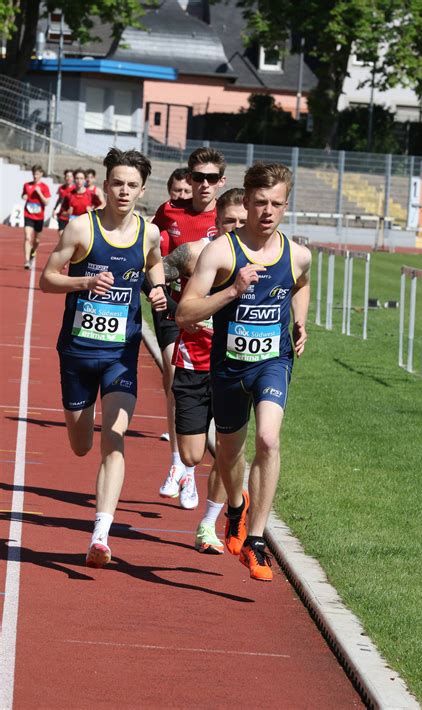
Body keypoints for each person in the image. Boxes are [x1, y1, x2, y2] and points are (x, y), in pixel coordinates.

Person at [176, 163, 311, 581]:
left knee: (269, 438)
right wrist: (233, 290)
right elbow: (185, 311)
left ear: (286, 205)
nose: (267, 212)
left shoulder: (298, 253)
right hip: (229, 367)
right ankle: (236, 508)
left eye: (276, 204)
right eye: (259, 203)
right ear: (246, 201)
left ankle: (255, 541)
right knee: (230, 452)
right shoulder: (221, 252)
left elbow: (301, 282)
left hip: (273, 361)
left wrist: (300, 323)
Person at [39, 148, 167, 569]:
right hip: (77, 353)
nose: (124, 191)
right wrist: (84, 281)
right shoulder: (81, 228)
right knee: (81, 445)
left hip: (120, 355)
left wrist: (158, 288)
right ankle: (81, 424)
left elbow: (154, 265)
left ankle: (100, 534)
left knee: (114, 438)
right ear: (105, 185)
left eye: (132, 185)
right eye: (117, 183)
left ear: (142, 189)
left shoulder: (148, 234)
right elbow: (48, 279)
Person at [163, 188, 247, 552]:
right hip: (193, 362)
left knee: (228, 449)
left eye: (243, 222)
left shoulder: (259, 260)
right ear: (217, 220)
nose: (237, 227)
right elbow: (154, 276)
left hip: (232, 366)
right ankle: (195, 477)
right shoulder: (194, 253)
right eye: (231, 221)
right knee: (193, 455)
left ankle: (210, 524)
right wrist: (174, 308)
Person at [150, 148, 226, 508]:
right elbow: (153, 255)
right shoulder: (169, 212)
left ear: (221, 182)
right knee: (172, 373)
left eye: (212, 178)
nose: (205, 184)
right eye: (199, 178)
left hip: (213, 317)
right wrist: (155, 288)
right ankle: (177, 463)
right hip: (174, 310)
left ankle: (189, 469)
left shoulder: (228, 216)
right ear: (189, 179)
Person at [21, 164, 51, 269]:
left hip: (39, 217)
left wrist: (39, 193)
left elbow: (46, 202)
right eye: (33, 174)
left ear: (41, 174)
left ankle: (33, 251)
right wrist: (24, 196)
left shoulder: (44, 187)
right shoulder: (27, 185)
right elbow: (23, 194)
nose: (35, 176)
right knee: (27, 237)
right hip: (28, 215)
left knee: (37, 241)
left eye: (37, 174)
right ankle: (27, 261)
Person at [53, 169, 75, 236]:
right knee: (62, 235)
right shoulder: (61, 188)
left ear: (73, 178)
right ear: (65, 177)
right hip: (62, 216)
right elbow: (59, 199)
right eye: (67, 176)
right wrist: (54, 209)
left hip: (73, 216)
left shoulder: (76, 189)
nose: (68, 178)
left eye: (70, 176)